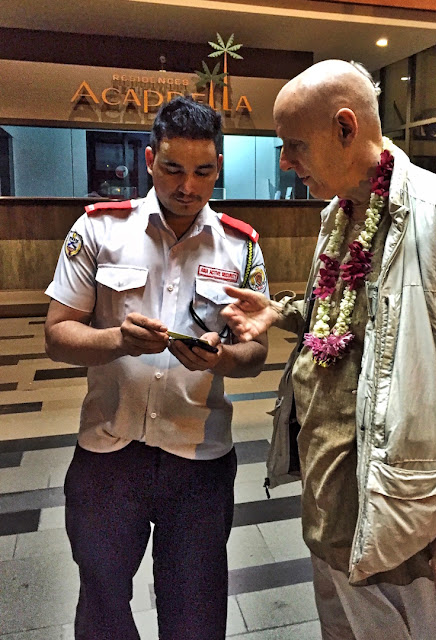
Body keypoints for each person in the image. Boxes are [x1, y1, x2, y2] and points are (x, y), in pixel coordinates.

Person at [221, 60, 436, 640]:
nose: (285, 161)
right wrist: (283, 313)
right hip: (331, 504)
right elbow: (347, 321)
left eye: (294, 145)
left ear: (346, 128)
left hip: (403, 510)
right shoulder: (338, 214)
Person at [44, 96, 269, 640]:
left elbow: (254, 356)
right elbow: (57, 335)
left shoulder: (241, 246)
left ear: (218, 167)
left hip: (199, 460)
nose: (187, 186)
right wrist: (117, 340)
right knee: (101, 605)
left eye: (203, 171)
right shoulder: (99, 230)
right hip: (107, 455)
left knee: (195, 612)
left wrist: (223, 358)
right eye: (172, 168)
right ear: (149, 161)